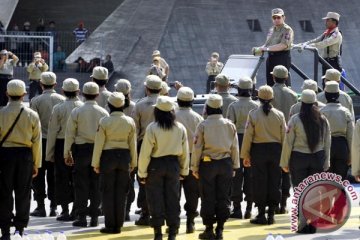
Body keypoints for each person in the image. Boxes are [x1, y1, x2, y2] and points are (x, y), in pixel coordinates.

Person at [138, 96, 189, 240]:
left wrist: (142, 173)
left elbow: (145, 153)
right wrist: (184, 171)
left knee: (155, 199)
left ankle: (158, 233)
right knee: (173, 198)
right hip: (173, 165)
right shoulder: (180, 128)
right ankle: (173, 231)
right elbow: (185, 153)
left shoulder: (152, 128)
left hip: (155, 166)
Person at [280, 89, 331, 233]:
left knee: (300, 190)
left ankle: (303, 223)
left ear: (301, 103)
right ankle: (313, 223)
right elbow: (327, 142)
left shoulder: (295, 119)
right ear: (315, 103)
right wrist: (326, 161)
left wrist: (284, 162)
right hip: (318, 158)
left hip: (299, 159)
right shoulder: (323, 119)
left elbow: (288, 143)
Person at [192, 94, 239, 240]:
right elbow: (234, 147)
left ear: (208, 108)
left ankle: (209, 229)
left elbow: (197, 148)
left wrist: (194, 167)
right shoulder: (229, 124)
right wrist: (235, 166)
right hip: (225, 164)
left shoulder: (203, 125)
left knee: (207, 197)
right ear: (220, 108)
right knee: (223, 196)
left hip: (208, 164)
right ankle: (220, 229)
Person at [0, 80, 41, 239]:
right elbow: (36, 142)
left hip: (5, 155)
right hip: (25, 156)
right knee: (23, 193)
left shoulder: (1, 113)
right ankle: (20, 229)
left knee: (4, 193)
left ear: (7, 94)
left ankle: (4, 231)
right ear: (24, 94)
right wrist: (36, 163)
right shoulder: (32, 114)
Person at [63, 82, 109, 227]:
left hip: (81, 150)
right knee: (96, 185)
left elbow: (69, 134)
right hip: (98, 150)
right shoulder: (103, 112)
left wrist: (67, 154)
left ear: (82, 94)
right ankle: (94, 217)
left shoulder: (76, 111)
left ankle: (81, 217)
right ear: (97, 95)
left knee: (80, 185)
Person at [92, 92, 137, 234]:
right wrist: (133, 163)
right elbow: (133, 144)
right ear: (123, 105)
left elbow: (99, 144)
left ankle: (110, 225)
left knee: (107, 192)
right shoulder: (130, 121)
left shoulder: (104, 121)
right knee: (122, 192)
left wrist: (96, 163)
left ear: (109, 105)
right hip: (124, 157)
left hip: (108, 157)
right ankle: (119, 224)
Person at [241, 85, 286, 225]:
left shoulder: (253, 114)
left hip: (258, 151)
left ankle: (261, 214)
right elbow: (285, 137)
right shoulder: (280, 115)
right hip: (276, 151)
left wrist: (245, 155)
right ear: (272, 98)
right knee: (274, 181)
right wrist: (285, 156)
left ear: (258, 98)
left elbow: (248, 136)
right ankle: (271, 213)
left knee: (259, 182)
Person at [46, 78, 83, 221]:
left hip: (61, 144)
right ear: (78, 91)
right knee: (77, 177)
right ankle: (76, 209)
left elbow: (52, 132)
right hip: (78, 145)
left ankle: (65, 210)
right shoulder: (82, 106)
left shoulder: (58, 108)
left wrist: (49, 154)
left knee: (62, 178)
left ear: (63, 91)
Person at [30, 72, 65, 218]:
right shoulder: (62, 99)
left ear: (41, 84)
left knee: (38, 174)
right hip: (57, 142)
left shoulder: (35, 100)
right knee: (53, 175)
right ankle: (54, 206)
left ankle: (40, 206)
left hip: (40, 141)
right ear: (55, 84)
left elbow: (33, 124)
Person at [227, 77, 259, 219]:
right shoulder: (256, 106)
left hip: (237, 141)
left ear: (238, 90)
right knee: (251, 176)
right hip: (252, 141)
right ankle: (249, 208)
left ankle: (237, 208)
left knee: (236, 176)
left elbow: (229, 127)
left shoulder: (233, 106)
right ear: (251, 90)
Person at [132, 75, 163, 226]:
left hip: (143, 143)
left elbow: (135, 130)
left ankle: (145, 213)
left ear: (147, 88)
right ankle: (160, 213)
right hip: (164, 144)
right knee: (162, 180)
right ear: (161, 89)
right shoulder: (169, 104)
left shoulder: (140, 105)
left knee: (143, 178)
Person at [175, 87, 204, 233]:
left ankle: (173, 221)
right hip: (193, 157)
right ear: (192, 101)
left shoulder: (172, 116)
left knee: (174, 191)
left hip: (175, 158)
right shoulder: (198, 118)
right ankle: (190, 222)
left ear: (178, 100)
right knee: (192, 192)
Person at [296, 12, 342, 89]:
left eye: (328, 20)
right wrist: (303, 44)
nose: (326, 22)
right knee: (325, 84)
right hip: (326, 62)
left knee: (332, 86)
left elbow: (323, 43)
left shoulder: (336, 34)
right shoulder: (327, 33)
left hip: (333, 63)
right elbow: (316, 40)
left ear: (334, 22)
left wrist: (307, 46)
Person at [320, 81, 353, 180]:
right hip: (342, 146)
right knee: (340, 180)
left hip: (325, 146)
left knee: (327, 181)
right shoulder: (346, 112)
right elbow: (351, 135)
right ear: (338, 95)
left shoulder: (321, 112)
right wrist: (351, 155)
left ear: (325, 95)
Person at [252, 8, 294, 86]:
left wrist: (266, 49)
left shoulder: (287, 30)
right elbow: (267, 44)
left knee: (282, 83)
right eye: (274, 18)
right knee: (270, 82)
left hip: (282, 58)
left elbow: (283, 45)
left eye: (278, 17)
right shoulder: (272, 30)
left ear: (283, 17)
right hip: (271, 58)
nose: (276, 19)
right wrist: (259, 49)